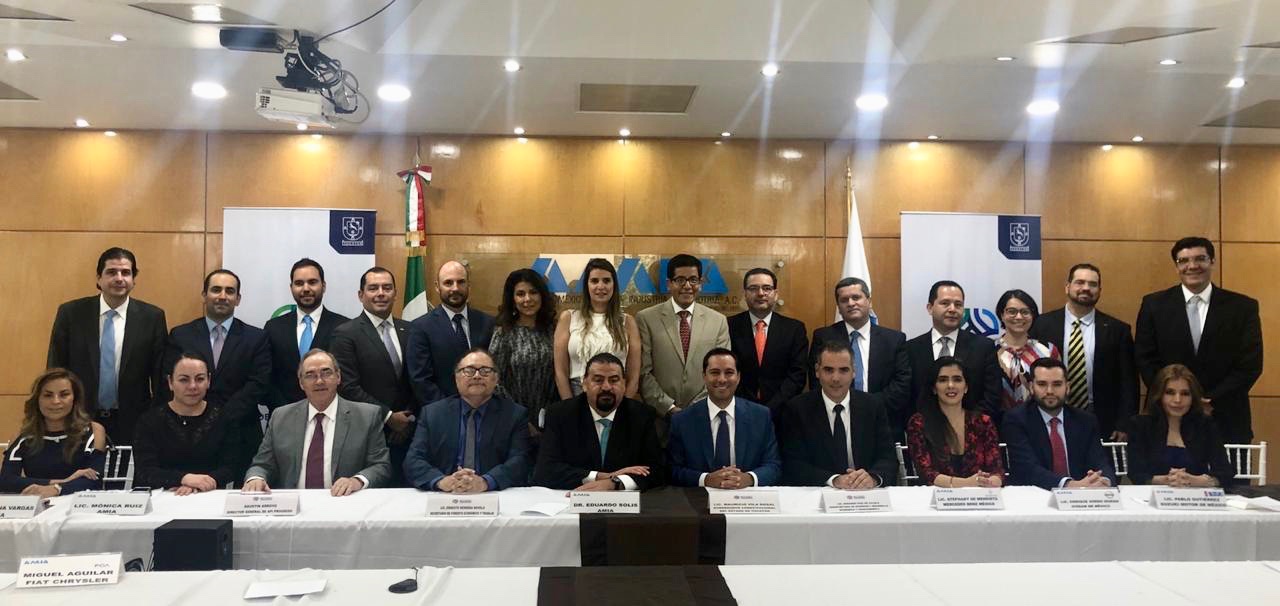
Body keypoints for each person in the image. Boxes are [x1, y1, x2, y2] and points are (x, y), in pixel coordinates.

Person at [1135, 237, 1263, 444]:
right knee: (1168, 468)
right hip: (1168, 418)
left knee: (1226, 468)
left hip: (1226, 417)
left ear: (1212, 261)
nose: (1192, 266)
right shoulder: (1154, 305)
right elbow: (1145, 359)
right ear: (1176, 266)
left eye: (1200, 259)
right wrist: (1176, 397)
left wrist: (1211, 400)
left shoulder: (1242, 307)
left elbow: (1250, 365)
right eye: (1184, 260)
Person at [46, 247, 167, 444]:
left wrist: (156, 418)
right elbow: (56, 369)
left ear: (133, 279)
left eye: (126, 272)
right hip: (78, 418)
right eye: (111, 272)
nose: (119, 278)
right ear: (99, 278)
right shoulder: (71, 314)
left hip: (134, 421)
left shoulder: (152, 318)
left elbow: (160, 375)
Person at [164, 269, 270, 478]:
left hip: (242, 431)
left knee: (244, 492)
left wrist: (220, 417)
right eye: (216, 290)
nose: (222, 296)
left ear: (238, 299)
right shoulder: (181, 335)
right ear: (204, 295)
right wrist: (203, 417)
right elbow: (171, 380)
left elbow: (259, 383)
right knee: (193, 490)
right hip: (190, 431)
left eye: (229, 291)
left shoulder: (256, 337)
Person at [243, 349, 392, 495]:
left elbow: (380, 465)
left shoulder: (366, 416)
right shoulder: (281, 417)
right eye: (310, 375)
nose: (319, 381)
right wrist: (256, 478)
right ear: (301, 383)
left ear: (338, 377)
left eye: (326, 373)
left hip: (343, 502)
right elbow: (262, 464)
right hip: (294, 504)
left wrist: (356, 481)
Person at [1029, 263, 1138, 440]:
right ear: (1067, 287)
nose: (1086, 288)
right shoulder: (1042, 325)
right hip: (1049, 411)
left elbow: (1128, 381)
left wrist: (1124, 423)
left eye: (1092, 284)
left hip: (1102, 418)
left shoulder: (1118, 330)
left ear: (1099, 290)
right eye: (1080, 282)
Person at [330, 267, 416, 483]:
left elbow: (418, 378)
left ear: (395, 293)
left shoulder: (412, 330)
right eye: (373, 288)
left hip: (410, 433)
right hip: (367, 434)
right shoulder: (345, 333)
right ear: (361, 295)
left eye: (387, 288)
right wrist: (388, 417)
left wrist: (407, 417)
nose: (381, 293)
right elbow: (348, 386)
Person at [404, 349, 532, 492]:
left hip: (493, 494)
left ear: (496, 379)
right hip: (445, 495)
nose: (477, 376)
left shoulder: (514, 414)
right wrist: (442, 481)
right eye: (469, 371)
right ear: (456, 378)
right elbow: (413, 460)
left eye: (485, 371)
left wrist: (485, 482)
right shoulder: (433, 414)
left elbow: (520, 460)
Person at [533, 353, 665, 491]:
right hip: (569, 498)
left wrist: (615, 483)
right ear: (584, 384)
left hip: (623, 501)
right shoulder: (560, 414)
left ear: (624, 384)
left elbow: (656, 472)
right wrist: (600, 477)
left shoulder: (641, 415)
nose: (606, 387)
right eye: (598, 380)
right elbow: (545, 470)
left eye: (614, 380)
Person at [780, 341, 897, 488]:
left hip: (864, 493)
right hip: (819, 492)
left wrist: (872, 478)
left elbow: (888, 458)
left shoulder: (872, 406)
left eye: (843, 370)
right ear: (817, 371)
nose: (836, 378)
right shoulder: (798, 409)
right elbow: (793, 464)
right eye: (828, 370)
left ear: (854, 372)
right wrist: (834, 480)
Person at [636, 254, 731, 426]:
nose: (687, 286)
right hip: (660, 420)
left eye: (693, 280)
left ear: (700, 283)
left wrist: (694, 409)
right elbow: (644, 373)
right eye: (680, 280)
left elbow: (722, 372)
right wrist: (669, 408)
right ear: (669, 283)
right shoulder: (646, 318)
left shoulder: (718, 321)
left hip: (704, 418)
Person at [810, 277, 911, 436]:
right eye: (844, 300)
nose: (851, 303)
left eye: (856, 297)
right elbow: (817, 380)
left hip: (883, 420)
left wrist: (868, 406)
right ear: (839, 307)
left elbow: (902, 383)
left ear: (869, 301)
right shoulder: (823, 337)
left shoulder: (894, 339)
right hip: (836, 420)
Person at [668, 348, 781, 488]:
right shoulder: (682, 420)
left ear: (738, 377)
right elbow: (673, 470)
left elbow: (773, 465)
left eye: (729, 373)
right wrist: (706, 479)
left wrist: (748, 479)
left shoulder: (760, 416)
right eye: (715, 372)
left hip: (746, 497)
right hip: (699, 497)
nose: (722, 379)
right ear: (704, 376)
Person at [133, 352, 240, 494]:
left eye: (200, 379)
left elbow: (230, 467)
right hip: (163, 498)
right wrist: (183, 479)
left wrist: (201, 483)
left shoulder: (224, 418)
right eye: (184, 380)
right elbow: (145, 471)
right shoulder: (149, 421)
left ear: (208, 381)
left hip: (209, 496)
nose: (193, 386)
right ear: (170, 382)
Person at [1003, 358, 1117, 489]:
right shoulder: (1016, 420)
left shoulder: (1086, 420)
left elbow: (1100, 462)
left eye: (1057, 384)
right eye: (1042, 384)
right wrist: (1069, 485)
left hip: (1082, 495)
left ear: (1067, 387)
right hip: (1035, 495)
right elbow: (1027, 469)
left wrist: (1103, 481)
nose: (1050, 391)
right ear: (1031, 387)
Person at [905, 280, 1002, 424]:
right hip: (923, 430)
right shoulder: (911, 348)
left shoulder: (983, 347)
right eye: (945, 303)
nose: (952, 309)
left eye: (958, 304)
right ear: (930, 308)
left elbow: (992, 396)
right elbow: (906, 397)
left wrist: (964, 425)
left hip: (971, 430)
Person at [1, 369, 106, 496]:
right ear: (37, 399)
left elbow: (94, 481)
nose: (56, 401)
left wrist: (57, 489)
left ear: (75, 399)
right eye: (48, 395)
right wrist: (60, 483)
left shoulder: (93, 430)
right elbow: (6, 480)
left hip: (78, 505)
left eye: (64, 395)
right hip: (36, 504)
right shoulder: (23, 435)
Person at [1126, 364, 1234, 488]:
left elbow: (1225, 474)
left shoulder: (1205, 425)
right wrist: (1168, 480)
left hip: (1195, 495)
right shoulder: (1140, 425)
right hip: (1154, 495)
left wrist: (1196, 481)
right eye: (1170, 393)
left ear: (1193, 397)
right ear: (1159, 395)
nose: (1177, 400)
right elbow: (1137, 474)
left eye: (1185, 394)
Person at [263, 258, 350, 411]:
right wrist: (286, 410)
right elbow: (266, 376)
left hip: (332, 414)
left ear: (323, 286)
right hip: (284, 414)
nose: (306, 288)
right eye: (299, 283)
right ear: (291, 288)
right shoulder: (273, 327)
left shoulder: (344, 327)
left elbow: (346, 376)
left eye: (312, 282)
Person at [406, 260, 496, 406]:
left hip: (486, 409)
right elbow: (420, 380)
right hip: (442, 412)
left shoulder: (488, 323)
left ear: (468, 285)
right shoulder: (421, 327)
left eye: (461, 282)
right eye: (448, 283)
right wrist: (451, 410)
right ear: (437, 287)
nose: (455, 288)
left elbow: (495, 370)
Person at [904, 357, 1004, 487]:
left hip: (979, 495)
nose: (950, 385)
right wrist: (966, 483)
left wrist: (991, 481)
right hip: (936, 496)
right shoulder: (918, 423)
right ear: (934, 388)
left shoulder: (983, 422)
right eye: (943, 380)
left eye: (957, 379)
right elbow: (926, 474)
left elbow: (996, 470)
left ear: (966, 387)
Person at [553, 258, 641, 399]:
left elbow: (634, 377)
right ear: (586, 285)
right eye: (594, 281)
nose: (601, 286)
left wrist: (623, 407)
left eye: (606, 281)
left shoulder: (627, 321)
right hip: (576, 393)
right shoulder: (569, 318)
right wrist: (569, 405)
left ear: (614, 284)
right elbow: (560, 373)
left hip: (616, 396)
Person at [727, 268, 809, 416]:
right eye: (753, 288)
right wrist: (748, 406)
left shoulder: (794, 329)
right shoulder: (729, 326)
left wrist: (771, 408)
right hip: (739, 410)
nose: (760, 293)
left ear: (775, 294)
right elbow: (727, 370)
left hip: (783, 412)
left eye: (767, 288)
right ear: (745, 294)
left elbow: (797, 374)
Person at [489, 269, 558, 429]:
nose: (527, 299)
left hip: (551, 419)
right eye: (520, 294)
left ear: (542, 295)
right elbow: (494, 380)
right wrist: (520, 420)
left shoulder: (554, 330)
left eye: (533, 292)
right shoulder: (503, 333)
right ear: (512, 299)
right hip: (513, 421)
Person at [994, 289, 1060, 424]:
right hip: (997, 424)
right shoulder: (989, 350)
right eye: (1012, 311)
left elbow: (1058, 388)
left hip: (1040, 423)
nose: (1019, 317)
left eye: (1025, 312)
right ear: (1001, 315)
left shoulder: (1048, 351)